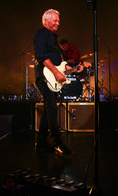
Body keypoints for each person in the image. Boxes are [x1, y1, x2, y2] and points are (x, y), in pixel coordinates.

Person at [33, 9, 83, 154]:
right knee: (52, 108)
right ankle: (58, 143)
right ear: (45, 21)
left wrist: (73, 68)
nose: (58, 23)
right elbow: (41, 56)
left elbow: (60, 63)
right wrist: (55, 72)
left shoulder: (54, 38)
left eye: (58, 21)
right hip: (44, 75)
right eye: (55, 20)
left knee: (50, 108)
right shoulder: (42, 34)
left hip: (52, 74)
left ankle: (41, 143)